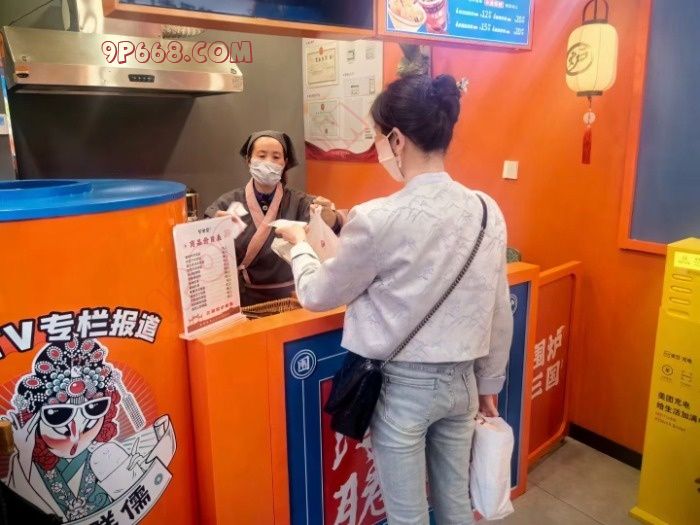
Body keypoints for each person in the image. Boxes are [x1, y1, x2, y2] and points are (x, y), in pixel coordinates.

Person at [277, 74, 513, 525]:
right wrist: (489, 384)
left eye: (377, 137)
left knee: (407, 516)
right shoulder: (487, 209)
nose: (379, 148)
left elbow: (317, 294)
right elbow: (498, 308)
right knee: (455, 504)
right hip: (463, 383)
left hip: (403, 390)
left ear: (397, 139)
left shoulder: (377, 217)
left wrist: (300, 246)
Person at [205, 130, 344, 307]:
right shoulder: (227, 203)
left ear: (284, 162)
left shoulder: (300, 202)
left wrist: (329, 216)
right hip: (247, 302)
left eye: (276, 157)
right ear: (248, 160)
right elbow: (203, 243)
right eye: (261, 156)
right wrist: (213, 229)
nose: (268, 162)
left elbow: (337, 226)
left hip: (294, 299)